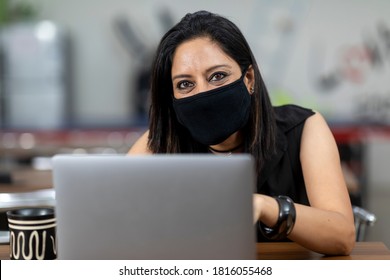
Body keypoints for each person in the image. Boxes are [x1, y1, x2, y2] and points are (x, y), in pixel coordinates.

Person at [128, 10, 355, 255]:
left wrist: (267, 207)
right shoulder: (162, 141)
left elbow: (342, 236)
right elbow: (111, 218)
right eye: (185, 84)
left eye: (218, 76)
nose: (203, 93)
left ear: (248, 78)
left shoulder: (303, 128)